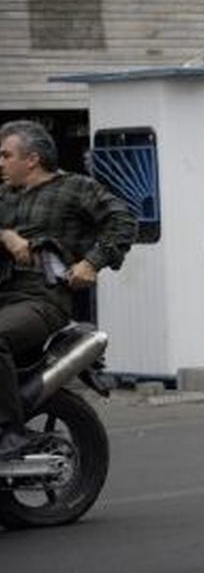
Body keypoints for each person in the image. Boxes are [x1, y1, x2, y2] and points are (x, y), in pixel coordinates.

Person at [0, 120, 137, 458]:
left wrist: (91, 262)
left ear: (31, 159)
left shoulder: (75, 188)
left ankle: (10, 433)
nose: (0, 163)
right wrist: (5, 235)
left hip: (40, 300)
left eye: (6, 155)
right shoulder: (4, 196)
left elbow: (124, 220)